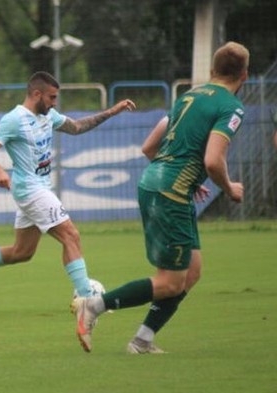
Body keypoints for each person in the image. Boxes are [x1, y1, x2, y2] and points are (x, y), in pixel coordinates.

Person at [71, 41, 249, 353]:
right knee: (169, 282)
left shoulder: (188, 97)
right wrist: (229, 186)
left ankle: (143, 340)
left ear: (211, 70)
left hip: (159, 182)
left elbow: (149, 147)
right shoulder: (230, 107)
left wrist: (185, 176)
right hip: (172, 192)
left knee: (190, 273)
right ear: (244, 76)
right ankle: (93, 306)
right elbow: (212, 160)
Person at [0, 71, 136, 303]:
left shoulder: (50, 116)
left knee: (22, 252)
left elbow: (76, 127)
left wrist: (113, 111)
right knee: (71, 236)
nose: (54, 103)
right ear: (37, 94)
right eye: (52, 97)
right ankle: (88, 301)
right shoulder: (14, 119)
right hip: (31, 190)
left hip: (39, 189)